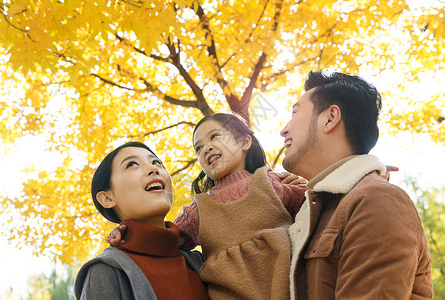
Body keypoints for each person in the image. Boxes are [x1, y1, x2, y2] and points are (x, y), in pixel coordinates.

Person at [109, 113, 307, 299]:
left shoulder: (271, 182)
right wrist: (127, 233)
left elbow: (317, 208)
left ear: (245, 141)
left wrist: (307, 185)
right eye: (199, 148)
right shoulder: (199, 210)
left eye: (214, 137)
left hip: (288, 288)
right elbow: (164, 240)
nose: (206, 148)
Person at [281, 70, 433, 299]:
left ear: (330, 118)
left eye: (294, 112)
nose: (283, 129)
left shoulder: (377, 200)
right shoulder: (312, 211)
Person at [73, 142, 209, 300]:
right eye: (132, 164)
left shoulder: (201, 262)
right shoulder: (105, 272)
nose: (153, 168)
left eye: (157, 162)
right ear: (107, 198)